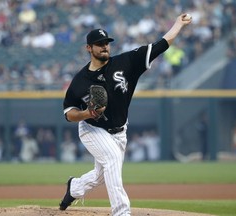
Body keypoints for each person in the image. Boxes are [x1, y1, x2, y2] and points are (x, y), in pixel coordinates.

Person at [59, 13, 192, 216]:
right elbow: (69, 113)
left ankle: (75, 187)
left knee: (100, 176)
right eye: (99, 43)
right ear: (89, 48)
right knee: (112, 159)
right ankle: (121, 212)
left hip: (120, 130)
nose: (104, 46)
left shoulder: (126, 62)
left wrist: (177, 25)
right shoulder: (80, 80)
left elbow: (161, 45)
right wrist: (86, 113)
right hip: (92, 129)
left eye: (106, 42)